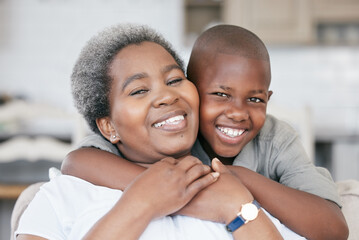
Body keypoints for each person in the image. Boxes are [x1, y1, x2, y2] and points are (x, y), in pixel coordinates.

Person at [61, 24, 349, 240]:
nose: (238, 113)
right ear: (194, 91)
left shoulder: (274, 138)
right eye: (220, 95)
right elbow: (77, 161)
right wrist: (170, 191)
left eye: (255, 99)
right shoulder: (171, 135)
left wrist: (241, 179)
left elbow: (333, 228)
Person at [15, 24, 286, 240]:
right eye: (139, 90)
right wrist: (142, 202)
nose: (167, 96)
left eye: (175, 80)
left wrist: (238, 207)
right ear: (109, 127)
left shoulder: (239, 192)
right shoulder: (64, 196)